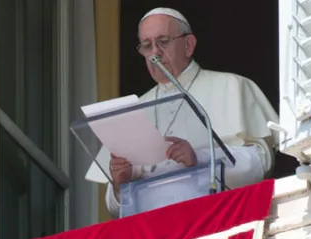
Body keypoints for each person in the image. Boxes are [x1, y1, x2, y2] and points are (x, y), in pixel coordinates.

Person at [104, 7, 279, 217]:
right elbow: (115, 208)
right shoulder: (134, 110)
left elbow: (262, 163)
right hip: (151, 231)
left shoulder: (231, 85)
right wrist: (119, 184)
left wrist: (201, 159)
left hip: (215, 218)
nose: (155, 53)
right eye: (147, 46)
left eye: (163, 41)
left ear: (188, 45)